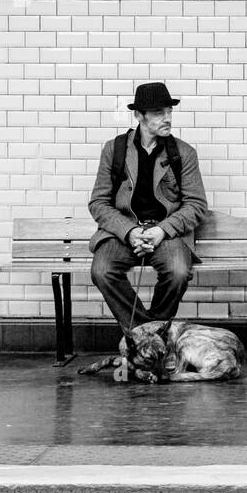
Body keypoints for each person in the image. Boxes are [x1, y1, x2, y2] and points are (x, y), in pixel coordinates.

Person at [88, 82, 209, 334]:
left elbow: (196, 205)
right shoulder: (115, 150)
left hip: (165, 233)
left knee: (178, 272)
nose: (167, 119)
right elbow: (98, 203)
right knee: (102, 271)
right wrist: (130, 231)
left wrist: (162, 230)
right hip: (122, 232)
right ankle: (147, 334)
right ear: (138, 115)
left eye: (169, 111)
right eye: (158, 113)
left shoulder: (183, 153)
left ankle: (144, 336)